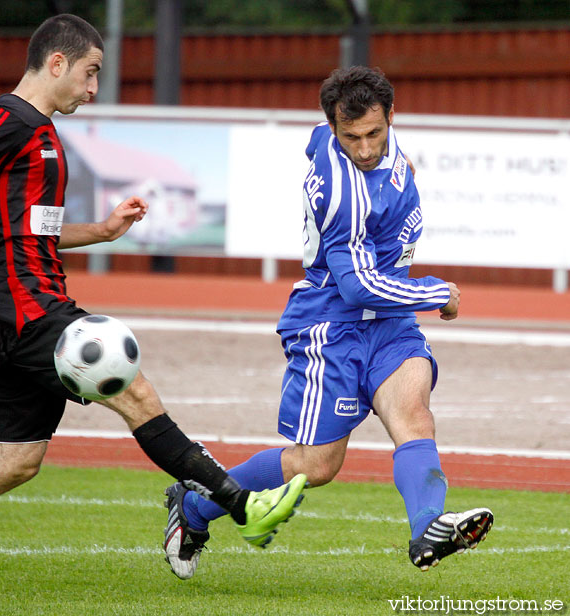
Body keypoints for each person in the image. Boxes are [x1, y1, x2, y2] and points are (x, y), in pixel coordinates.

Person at [0, 14, 307, 599]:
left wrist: (101, 231)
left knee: (18, 462)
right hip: (20, 312)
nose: (94, 87)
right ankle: (240, 504)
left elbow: (34, 232)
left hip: (28, 306)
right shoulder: (7, 120)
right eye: (90, 72)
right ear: (56, 62)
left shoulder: (43, 134)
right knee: (132, 387)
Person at [162, 65, 493, 580]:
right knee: (316, 466)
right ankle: (194, 503)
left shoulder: (345, 133)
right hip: (331, 325)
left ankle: (428, 526)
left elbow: (320, 139)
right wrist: (436, 293)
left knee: (414, 415)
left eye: (374, 134)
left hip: (388, 322)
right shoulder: (343, 194)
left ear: (389, 117)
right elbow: (356, 286)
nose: (364, 149)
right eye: (351, 137)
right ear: (335, 129)